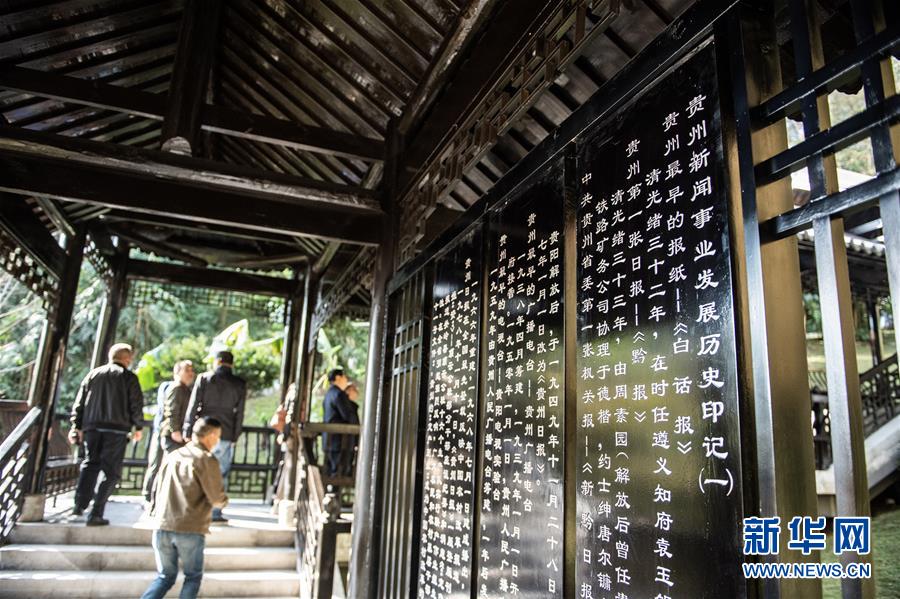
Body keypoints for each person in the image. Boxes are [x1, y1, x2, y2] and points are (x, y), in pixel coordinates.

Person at [140, 417, 228, 599]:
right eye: (218, 436)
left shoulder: (173, 455)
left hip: (162, 525)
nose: (218, 441)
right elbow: (216, 497)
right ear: (211, 435)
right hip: (190, 527)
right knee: (193, 577)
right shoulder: (206, 459)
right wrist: (224, 501)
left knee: (164, 577)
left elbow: (156, 488)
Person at [69, 342, 144, 526]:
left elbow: (79, 403)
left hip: (92, 428)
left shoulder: (94, 374)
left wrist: (76, 426)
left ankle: (79, 505)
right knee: (111, 473)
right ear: (127, 359)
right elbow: (135, 404)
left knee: (90, 465)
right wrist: (138, 426)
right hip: (117, 430)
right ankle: (96, 513)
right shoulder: (128, 377)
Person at [183, 351, 246, 522]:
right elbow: (240, 413)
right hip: (225, 432)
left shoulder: (204, 378)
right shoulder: (239, 383)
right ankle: (216, 512)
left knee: (197, 468)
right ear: (231, 364)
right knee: (220, 472)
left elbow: (193, 405)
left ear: (217, 362)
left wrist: (188, 430)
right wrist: (235, 436)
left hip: (203, 430)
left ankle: (193, 508)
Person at [142, 360, 195, 506]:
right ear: (177, 372)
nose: (191, 373)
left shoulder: (185, 389)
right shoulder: (176, 387)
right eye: (187, 370)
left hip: (176, 435)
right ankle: (153, 501)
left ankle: (159, 501)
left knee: (169, 468)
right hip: (172, 435)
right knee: (165, 468)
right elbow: (171, 411)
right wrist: (175, 430)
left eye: (192, 370)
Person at [322, 369, 358, 477]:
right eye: (345, 377)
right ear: (338, 377)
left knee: (332, 473)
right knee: (340, 473)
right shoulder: (339, 394)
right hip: (340, 441)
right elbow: (348, 416)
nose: (346, 380)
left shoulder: (328, 394)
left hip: (329, 441)